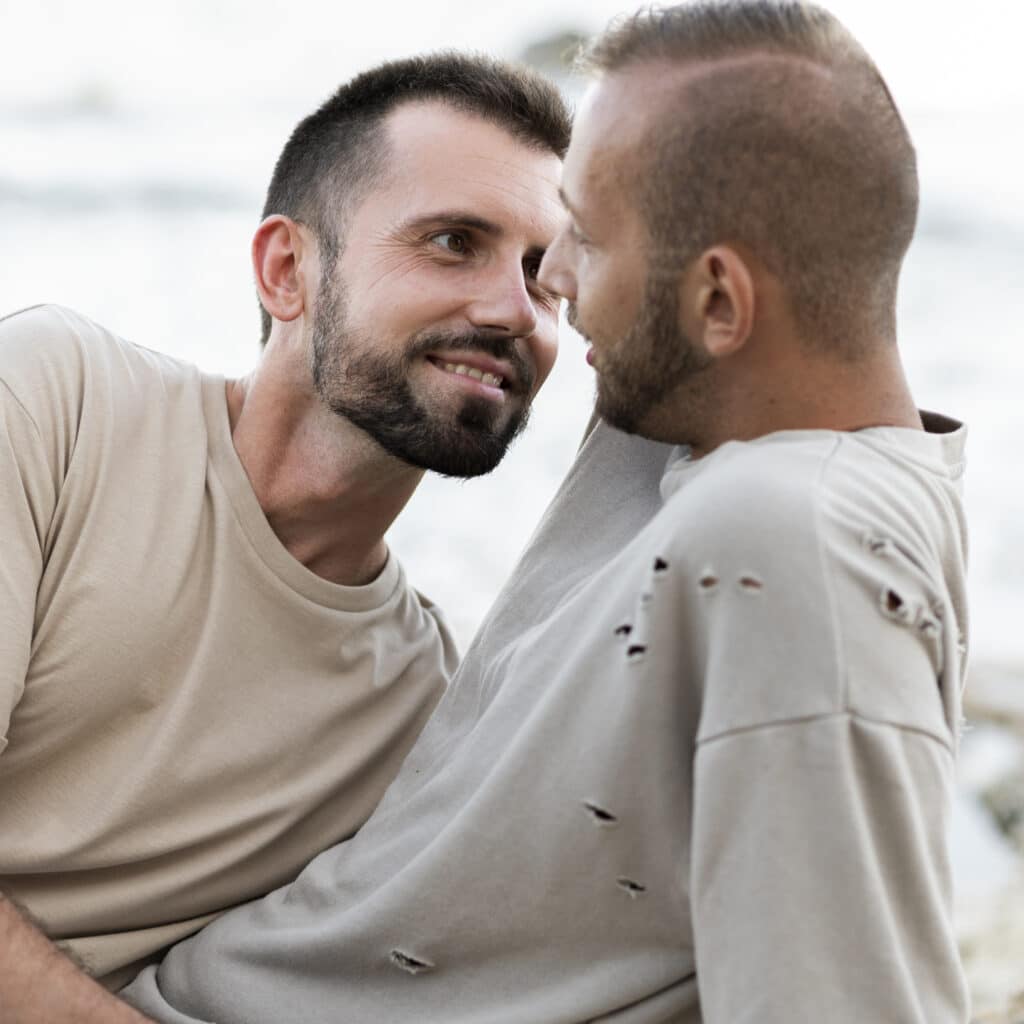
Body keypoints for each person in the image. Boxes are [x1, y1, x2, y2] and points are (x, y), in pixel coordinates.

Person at [121, 2, 970, 1021]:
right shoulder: (707, 425)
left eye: (585, 245)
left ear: (717, 306)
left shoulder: (790, 542)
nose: (547, 294)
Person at [0, 53, 570, 1019]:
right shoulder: (57, 402)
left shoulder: (422, 712)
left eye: (543, 276)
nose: (511, 310)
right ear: (286, 270)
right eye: (451, 241)